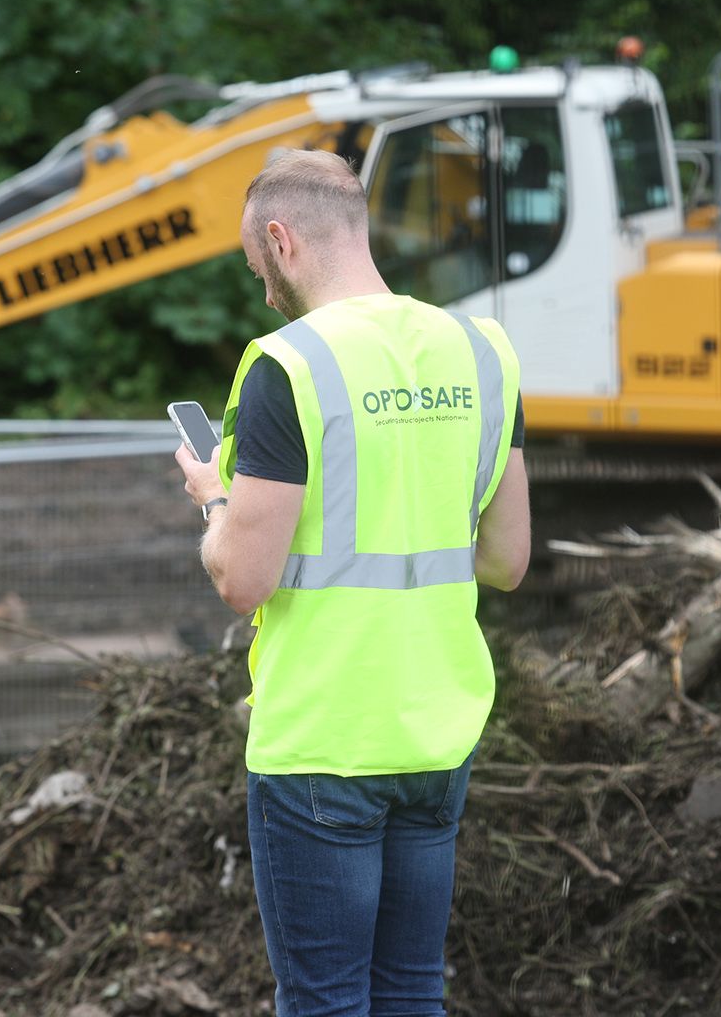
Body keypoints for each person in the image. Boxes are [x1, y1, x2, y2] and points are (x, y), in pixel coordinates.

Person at [172, 148, 529, 1017]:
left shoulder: (286, 366)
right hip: (437, 734)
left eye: (259, 268)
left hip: (324, 740)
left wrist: (215, 496)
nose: (263, 293)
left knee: (326, 1003)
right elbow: (507, 559)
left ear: (283, 241)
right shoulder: (483, 352)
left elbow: (242, 582)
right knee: (410, 993)